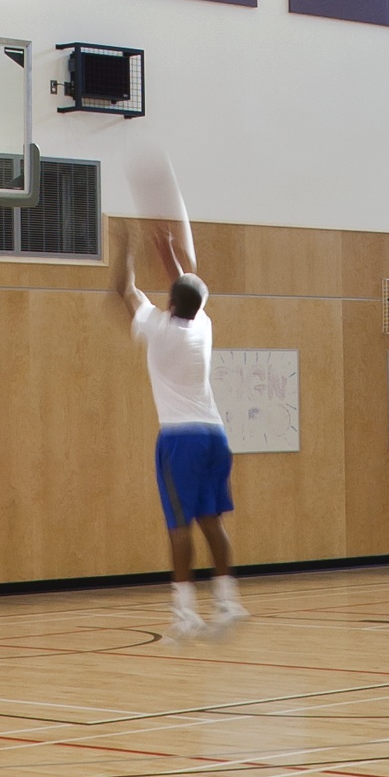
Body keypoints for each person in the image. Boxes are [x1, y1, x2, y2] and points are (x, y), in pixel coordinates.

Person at [109, 203, 245, 639]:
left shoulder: (157, 327)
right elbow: (185, 288)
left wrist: (126, 248)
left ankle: (185, 612)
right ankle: (227, 602)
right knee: (211, 521)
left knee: (179, 525)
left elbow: (122, 289)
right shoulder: (202, 325)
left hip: (180, 439)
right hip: (214, 436)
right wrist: (166, 248)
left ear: (169, 302)